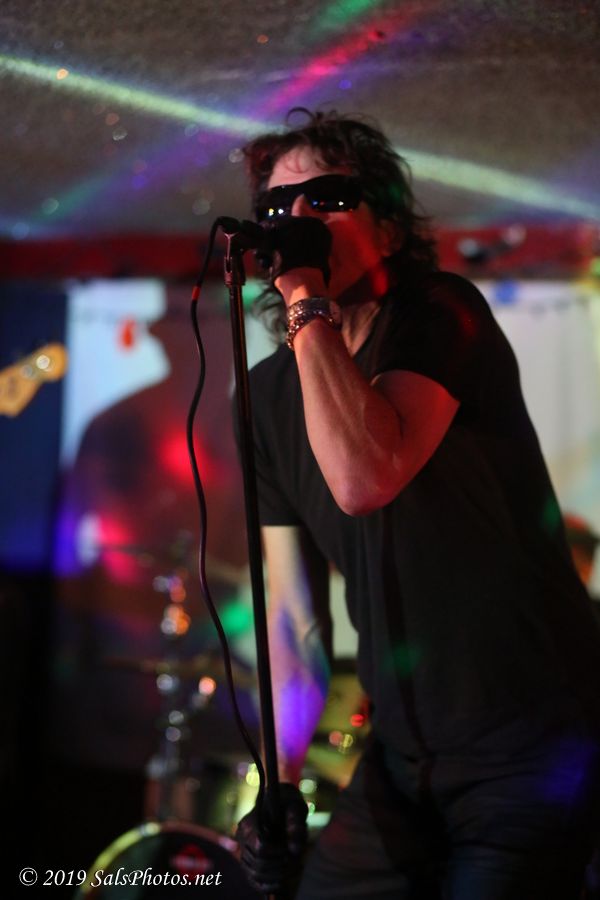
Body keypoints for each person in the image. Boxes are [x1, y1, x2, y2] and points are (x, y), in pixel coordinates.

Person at [234, 108, 600, 899]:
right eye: (277, 207)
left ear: (390, 231)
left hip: (533, 744)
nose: (297, 217)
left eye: (327, 198)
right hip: (403, 756)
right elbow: (293, 621)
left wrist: (304, 294)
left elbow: (365, 477)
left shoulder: (441, 313)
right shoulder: (264, 400)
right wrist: (279, 780)